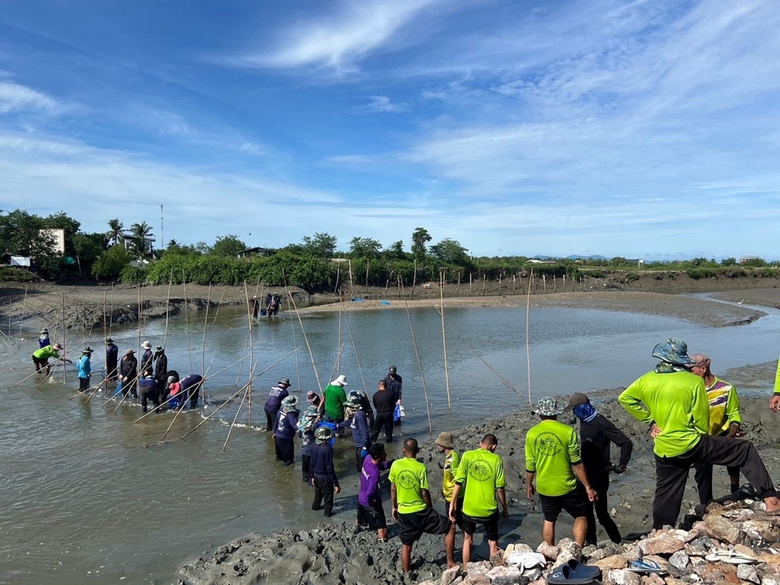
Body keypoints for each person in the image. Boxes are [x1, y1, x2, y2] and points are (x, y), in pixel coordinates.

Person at [619, 338, 780, 529]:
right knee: (744, 449)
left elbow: (625, 398)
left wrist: (650, 421)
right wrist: (700, 448)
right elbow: (702, 422)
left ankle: (660, 530)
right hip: (691, 442)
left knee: (666, 493)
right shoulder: (694, 382)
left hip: (664, 447)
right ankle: (771, 500)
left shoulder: (646, 379)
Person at [526, 396, 598, 546]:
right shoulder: (568, 431)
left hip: (544, 487)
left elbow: (530, 464)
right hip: (566, 485)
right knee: (581, 515)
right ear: (556, 413)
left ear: (540, 413)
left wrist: (529, 485)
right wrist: (588, 487)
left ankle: (549, 552)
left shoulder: (531, 433)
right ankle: (578, 548)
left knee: (549, 519)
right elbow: (576, 462)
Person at [568, 392, 632, 545]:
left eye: (575, 409)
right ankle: (592, 545)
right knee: (586, 513)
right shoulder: (583, 421)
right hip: (585, 476)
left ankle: (618, 542)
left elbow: (626, 443)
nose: (574, 413)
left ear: (583, 407)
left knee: (602, 514)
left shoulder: (601, 423)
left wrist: (621, 465)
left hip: (600, 476)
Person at [390, 437, 454, 573]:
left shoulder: (395, 465)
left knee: (406, 544)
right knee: (450, 527)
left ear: (403, 450)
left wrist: (394, 507)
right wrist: (430, 508)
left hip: (404, 511)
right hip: (420, 511)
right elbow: (424, 492)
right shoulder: (420, 467)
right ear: (418, 450)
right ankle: (450, 562)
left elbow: (393, 489)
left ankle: (407, 571)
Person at [688, 353, 743, 504]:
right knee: (703, 472)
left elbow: (734, 413)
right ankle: (706, 504)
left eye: (691, 370)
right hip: (701, 436)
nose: (688, 373)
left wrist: (732, 433)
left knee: (734, 457)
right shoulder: (691, 390)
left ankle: (735, 492)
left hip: (723, 432)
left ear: (703, 369)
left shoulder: (726, 388)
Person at [450, 434, 508, 568]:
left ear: (480, 443)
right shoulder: (496, 459)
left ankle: (466, 569)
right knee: (492, 543)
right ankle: (494, 570)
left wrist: (452, 503)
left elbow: (458, 481)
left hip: (469, 509)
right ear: (494, 447)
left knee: (467, 539)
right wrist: (505, 508)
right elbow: (500, 488)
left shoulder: (467, 455)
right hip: (488, 511)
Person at [436, 431, 463, 568]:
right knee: (453, 525)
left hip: (455, 499)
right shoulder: (448, 457)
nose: (437, 445)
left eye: (439, 443)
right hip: (450, 498)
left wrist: (453, 501)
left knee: (452, 526)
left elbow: (459, 479)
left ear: (444, 445)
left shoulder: (453, 458)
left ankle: (451, 560)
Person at [359, 442, 392, 541]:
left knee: (361, 518)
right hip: (369, 500)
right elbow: (370, 492)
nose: (386, 454)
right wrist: (372, 502)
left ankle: (359, 525)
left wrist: (391, 463)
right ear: (378, 456)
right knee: (382, 526)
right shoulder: (375, 474)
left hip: (361, 497)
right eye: (384, 453)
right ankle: (381, 539)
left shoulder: (368, 458)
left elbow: (381, 465)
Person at [310, 426, 341, 517]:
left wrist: (312, 476)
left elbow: (312, 462)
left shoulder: (313, 445)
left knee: (317, 496)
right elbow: (329, 467)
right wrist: (336, 484)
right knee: (328, 500)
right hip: (325, 479)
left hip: (316, 476)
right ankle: (327, 516)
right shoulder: (327, 448)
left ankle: (314, 510)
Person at [338, 391, 372, 473]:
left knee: (363, 467)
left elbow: (364, 432)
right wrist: (338, 425)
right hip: (358, 444)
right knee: (358, 465)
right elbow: (349, 422)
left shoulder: (359, 415)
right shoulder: (355, 414)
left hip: (362, 445)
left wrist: (365, 447)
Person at [274, 396, 300, 466]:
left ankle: (277, 469)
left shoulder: (280, 411)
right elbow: (295, 426)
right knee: (288, 461)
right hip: (286, 438)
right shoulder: (291, 415)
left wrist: (274, 432)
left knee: (279, 457)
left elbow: (276, 422)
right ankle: (286, 471)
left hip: (277, 436)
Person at [298, 404, 320, 483]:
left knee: (305, 470)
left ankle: (304, 481)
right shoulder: (315, 426)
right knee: (312, 470)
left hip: (304, 449)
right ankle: (311, 483)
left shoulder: (302, 424)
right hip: (312, 450)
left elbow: (300, 435)